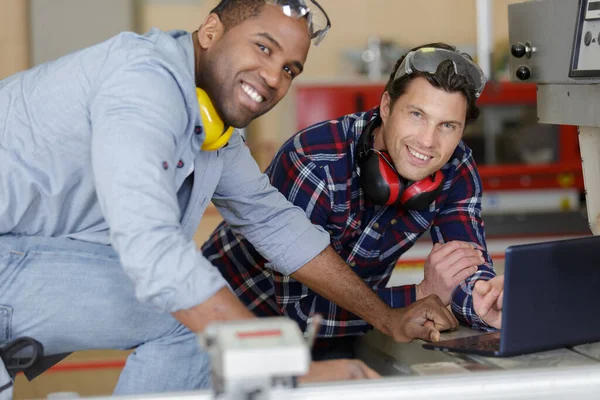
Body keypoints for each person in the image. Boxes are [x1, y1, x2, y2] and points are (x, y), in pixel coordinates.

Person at [0, 0, 459, 396]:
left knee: (190, 309)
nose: (273, 78)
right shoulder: (142, 85)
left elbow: (275, 224)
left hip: (18, 262)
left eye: (289, 70)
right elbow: (151, 248)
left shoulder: (215, 133)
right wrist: (282, 366)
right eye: (263, 47)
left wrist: (386, 317)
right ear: (211, 30)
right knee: (184, 313)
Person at [202, 42, 505, 359]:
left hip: (346, 328)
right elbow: (300, 314)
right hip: (224, 325)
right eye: (417, 114)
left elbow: (466, 266)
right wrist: (419, 295)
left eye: (447, 126)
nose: (428, 142)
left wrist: (485, 302)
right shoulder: (315, 161)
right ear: (386, 106)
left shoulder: (455, 164)